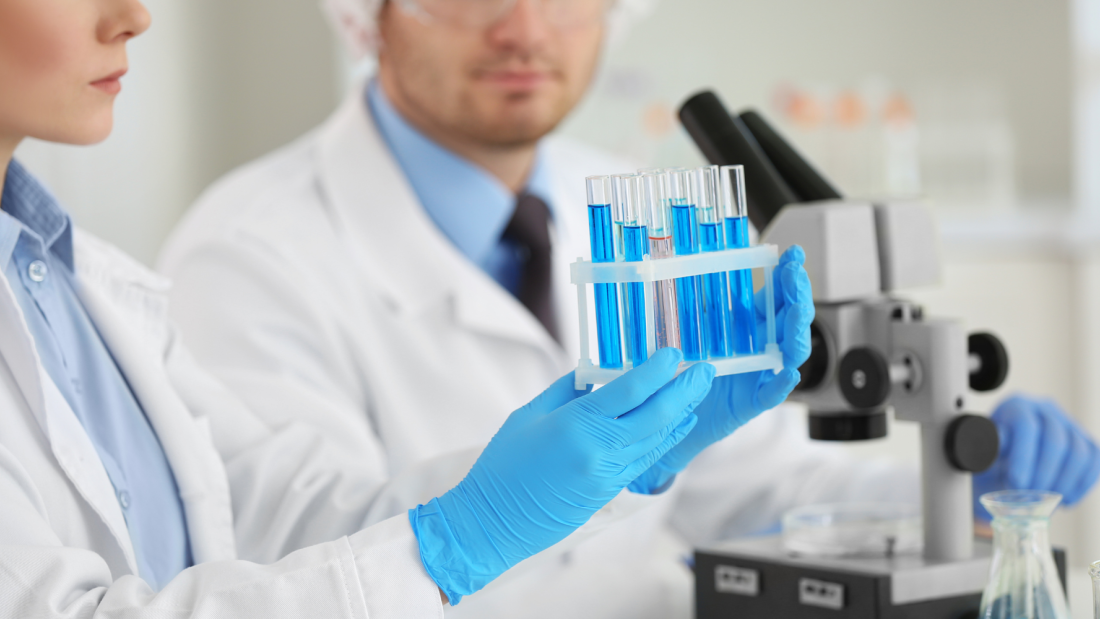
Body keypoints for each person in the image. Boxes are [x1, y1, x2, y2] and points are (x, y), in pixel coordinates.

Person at [158, 0, 1100, 616]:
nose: (525, 27)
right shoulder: (247, 254)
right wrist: (481, 516)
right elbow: (306, 563)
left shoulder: (631, 204)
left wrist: (947, 490)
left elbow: (757, 490)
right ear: (370, 16)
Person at [0, 0, 726, 615]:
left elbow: (286, 520)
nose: (134, 17)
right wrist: (462, 536)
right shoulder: (246, 247)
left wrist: (590, 479)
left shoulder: (72, 278)